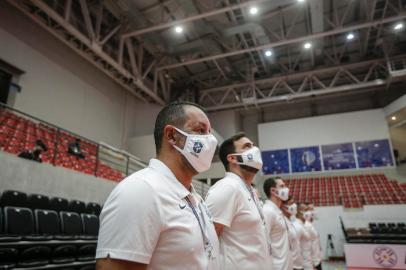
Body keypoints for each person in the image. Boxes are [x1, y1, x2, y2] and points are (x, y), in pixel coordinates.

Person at [96, 101, 220, 270]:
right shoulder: (140, 191)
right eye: (200, 130)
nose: (210, 140)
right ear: (171, 136)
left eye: (209, 133)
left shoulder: (196, 199)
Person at [205, 133, 271, 270]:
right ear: (233, 158)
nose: (255, 150)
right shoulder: (227, 187)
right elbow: (207, 242)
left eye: (253, 145)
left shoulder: (249, 190)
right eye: (247, 146)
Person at [263, 177, 293, 270]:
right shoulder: (267, 211)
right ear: (273, 190)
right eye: (282, 186)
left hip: (286, 265)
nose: (286, 189)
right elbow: (263, 243)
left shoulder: (278, 211)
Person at [283, 197, 302, 270]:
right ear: (284, 207)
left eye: (294, 203)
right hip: (292, 266)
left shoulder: (291, 222)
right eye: (291, 203)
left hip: (299, 265)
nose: (294, 205)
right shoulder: (282, 223)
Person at [297, 203, 317, 270]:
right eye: (306, 210)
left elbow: (311, 245)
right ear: (298, 211)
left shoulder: (305, 224)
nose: (309, 212)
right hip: (304, 264)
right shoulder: (298, 226)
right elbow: (297, 248)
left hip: (310, 261)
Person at [308, 203, 323, 270]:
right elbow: (306, 246)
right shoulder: (306, 226)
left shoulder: (311, 225)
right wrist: (312, 264)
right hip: (313, 262)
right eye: (311, 209)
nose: (314, 211)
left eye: (313, 209)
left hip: (317, 260)